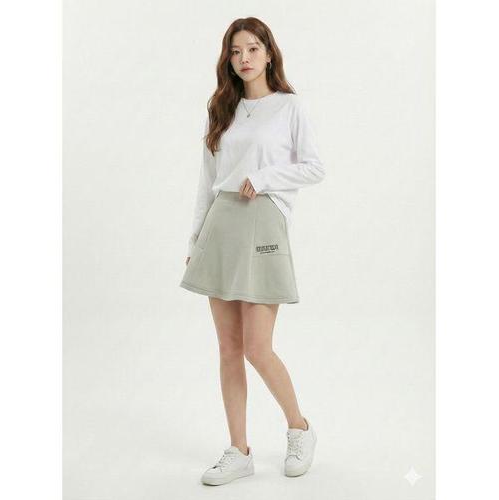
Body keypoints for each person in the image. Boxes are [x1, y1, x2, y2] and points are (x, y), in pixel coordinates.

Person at [179, 17, 325, 485]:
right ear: (229, 58)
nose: (244, 58)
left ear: (268, 53)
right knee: (228, 348)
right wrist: (195, 239)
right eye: (236, 51)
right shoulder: (221, 108)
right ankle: (239, 450)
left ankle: (299, 428)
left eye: (253, 49)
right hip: (221, 224)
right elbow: (207, 180)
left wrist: (263, 178)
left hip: (264, 219)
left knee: (258, 348)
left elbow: (314, 167)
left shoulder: (289, 106)